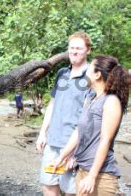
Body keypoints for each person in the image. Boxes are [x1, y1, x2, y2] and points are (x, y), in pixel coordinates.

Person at [53, 55, 131, 196]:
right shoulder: (90, 97)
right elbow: (78, 131)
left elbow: (105, 141)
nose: (85, 73)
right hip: (82, 169)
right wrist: (62, 156)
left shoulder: (111, 101)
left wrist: (92, 177)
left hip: (101, 175)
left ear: (97, 75)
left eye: (89, 69)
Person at [36, 31, 92, 196]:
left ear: (88, 50)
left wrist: (77, 151)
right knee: (48, 185)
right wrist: (42, 133)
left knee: (71, 191)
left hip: (73, 146)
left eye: (79, 48)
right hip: (52, 143)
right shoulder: (62, 74)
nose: (74, 51)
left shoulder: (91, 77)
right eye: (71, 48)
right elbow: (52, 105)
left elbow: (89, 119)